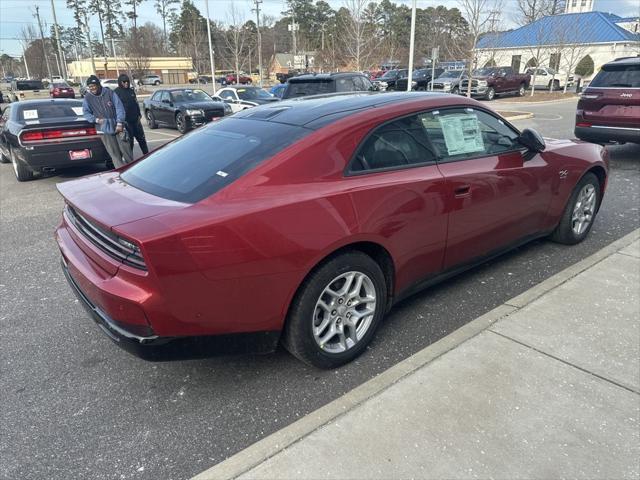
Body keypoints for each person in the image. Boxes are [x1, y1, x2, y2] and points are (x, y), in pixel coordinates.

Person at [82, 75, 133, 168]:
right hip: (104, 129)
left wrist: (120, 122)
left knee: (127, 151)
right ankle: (120, 171)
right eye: (90, 87)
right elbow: (86, 113)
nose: (92, 88)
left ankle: (132, 170)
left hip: (118, 126)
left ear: (98, 85)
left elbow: (119, 107)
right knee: (114, 154)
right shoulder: (87, 98)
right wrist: (96, 120)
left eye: (94, 85)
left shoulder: (110, 93)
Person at [114, 73, 149, 156]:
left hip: (136, 120)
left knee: (142, 139)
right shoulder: (116, 92)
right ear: (120, 82)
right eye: (124, 82)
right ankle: (129, 160)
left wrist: (139, 114)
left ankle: (147, 155)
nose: (126, 83)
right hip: (126, 121)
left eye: (127, 81)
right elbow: (115, 108)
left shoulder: (131, 91)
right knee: (130, 142)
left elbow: (136, 102)